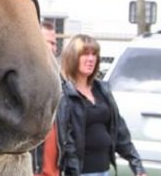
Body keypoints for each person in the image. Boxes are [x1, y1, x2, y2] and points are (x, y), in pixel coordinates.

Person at [56, 34, 146, 176]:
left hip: (104, 170)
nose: (91, 59)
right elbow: (66, 139)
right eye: (85, 54)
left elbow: (120, 132)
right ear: (73, 58)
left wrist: (137, 165)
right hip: (81, 172)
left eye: (94, 54)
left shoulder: (102, 90)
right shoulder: (64, 94)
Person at [30, 20, 61, 176]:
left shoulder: (61, 86)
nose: (54, 48)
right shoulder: (21, 86)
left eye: (54, 43)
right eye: (49, 42)